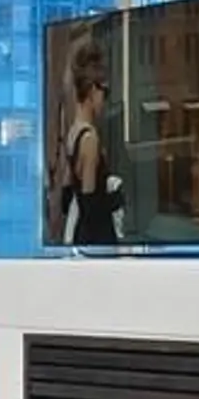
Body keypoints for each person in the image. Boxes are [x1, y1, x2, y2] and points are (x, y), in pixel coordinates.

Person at [48, 25, 125, 246]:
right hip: (97, 241)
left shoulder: (73, 132)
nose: (106, 99)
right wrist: (114, 199)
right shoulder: (90, 139)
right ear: (93, 89)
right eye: (105, 91)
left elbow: (66, 197)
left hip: (82, 238)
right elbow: (91, 206)